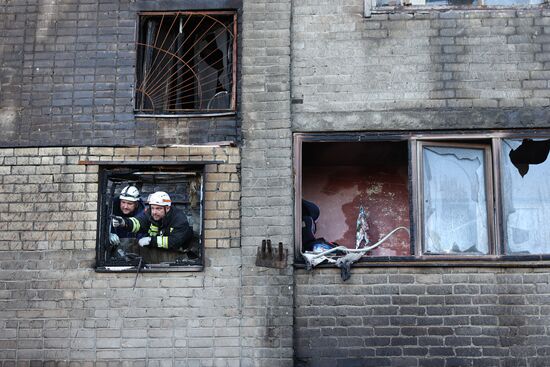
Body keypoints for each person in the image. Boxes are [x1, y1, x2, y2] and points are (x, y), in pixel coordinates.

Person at [111, 191, 193, 250]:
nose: (154, 212)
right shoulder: (150, 213)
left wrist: (151, 240)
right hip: (159, 252)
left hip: (179, 255)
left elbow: (175, 241)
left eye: (158, 208)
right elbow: (138, 222)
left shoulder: (179, 219)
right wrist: (124, 222)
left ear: (167, 208)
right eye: (152, 208)